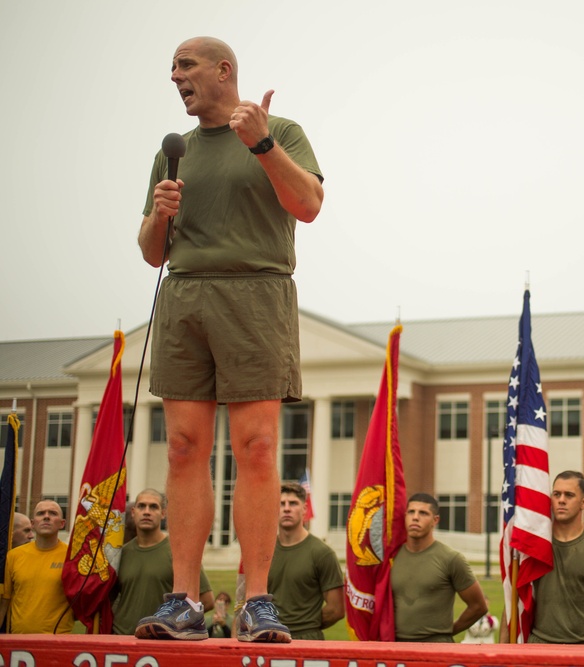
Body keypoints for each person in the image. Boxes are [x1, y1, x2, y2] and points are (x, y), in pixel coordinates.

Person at [134, 35, 323, 644]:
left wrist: (260, 143)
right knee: (185, 448)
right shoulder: (175, 151)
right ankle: (185, 600)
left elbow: (310, 203)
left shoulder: (280, 130)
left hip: (256, 293)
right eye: (171, 69)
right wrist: (158, 215)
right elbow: (151, 254)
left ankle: (258, 600)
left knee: (258, 446)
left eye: (185, 66)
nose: (175, 77)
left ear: (223, 71)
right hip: (186, 295)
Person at [509, 471, 584, 644]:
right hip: (539, 647)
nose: (561, 500)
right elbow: (515, 597)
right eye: (556, 494)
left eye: (569, 495)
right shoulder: (535, 545)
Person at [113, 489, 214, 636]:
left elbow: (207, 600)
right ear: (133, 512)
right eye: (142, 506)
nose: (147, 512)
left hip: (160, 638)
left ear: (163, 514)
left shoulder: (178, 553)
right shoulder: (122, 554)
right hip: (122, 638)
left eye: (153, 507)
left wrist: (176, 622)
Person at [391, 493, 488, 642]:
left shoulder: (451, 559)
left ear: (435, 520)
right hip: (395, 648)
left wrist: (447, 632)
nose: (415, 517)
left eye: (423, 513)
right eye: (411, 512)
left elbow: (478, 606)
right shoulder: (391, 558)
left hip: (436, 648)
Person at [268, 483, 344, 640]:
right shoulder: (264, 552)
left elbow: (336, 609)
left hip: (307, 640)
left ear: (305, 509)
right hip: (269, 639)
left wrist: (305, 625)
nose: (287, 508)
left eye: (293, 503)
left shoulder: (322, 553)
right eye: (281, 504)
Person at [0, 500, 74, 633]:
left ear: (62, 523)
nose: (46, 516)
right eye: (41, 513)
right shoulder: (14, 556)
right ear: (33, 524)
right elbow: (5, 602)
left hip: (58, 643)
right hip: (19, 642)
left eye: (52, 513)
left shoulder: (72, 557)